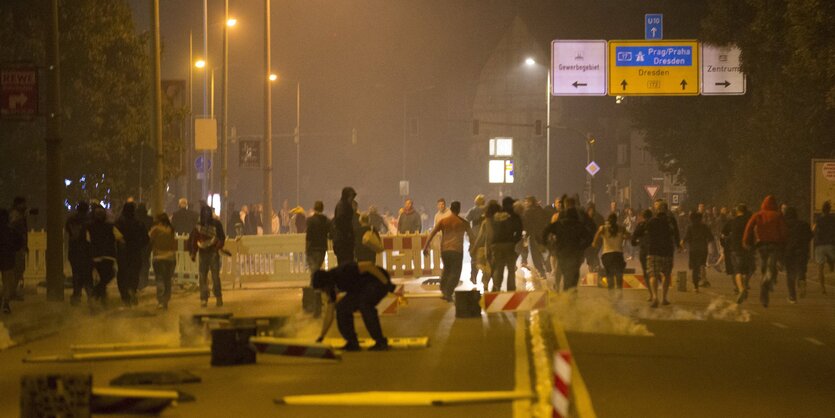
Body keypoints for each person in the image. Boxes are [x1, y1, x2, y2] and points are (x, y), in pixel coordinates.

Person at [312, 262, 395, 351]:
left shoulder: (343, 272)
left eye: (322, 289)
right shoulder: (331, 289)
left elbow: (368, 266)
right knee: (342, 307)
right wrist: (321, 337)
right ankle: (352, 343)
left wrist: (387, 284)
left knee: (364, 304)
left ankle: (381, 342)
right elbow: (329, 314)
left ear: (325, 283)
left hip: (378, 281)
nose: (323, 292)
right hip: (361, 288)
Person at [423, 201, 474, 301]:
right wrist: (474, 247)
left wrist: (425, 247)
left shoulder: (443, 221)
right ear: (459, 209)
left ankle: (444, 290)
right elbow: (472, 237)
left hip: (445, 250)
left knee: (447, 270)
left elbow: (432, 233)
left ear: (450, 209)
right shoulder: (463, 223)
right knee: (455, 273)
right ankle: (448, 292)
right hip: (457, 250)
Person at [743, 195, 787, 308]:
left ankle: (765, 289)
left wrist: (746, 242)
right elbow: (783, 231)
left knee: (764, 266)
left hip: (761, 246)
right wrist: (783, 243)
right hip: (774, 245)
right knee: (771, 267)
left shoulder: (758, 215)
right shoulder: (778, 215)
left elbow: (748, 228)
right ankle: (766, 285)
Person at [542, 202, 591, 291]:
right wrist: (582, 247)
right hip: (575, 254)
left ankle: (559, 288)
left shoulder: (559, 224)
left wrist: (547, 244)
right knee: (573, 275)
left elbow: (545, 231)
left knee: (561, 270)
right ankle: (571, 293)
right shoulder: (579, 225)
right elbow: (589, 238)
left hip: (562, 252)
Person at [189, 205, 227, 307]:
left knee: (212, 277)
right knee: (205, 277)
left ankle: (215, 297)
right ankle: (206, 298)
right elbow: (194, 239)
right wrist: (193, 252)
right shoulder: (199, 226)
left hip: (212, 252)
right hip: (205, 253)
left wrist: (217, 246)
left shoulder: (215, 224)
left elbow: (221, 238)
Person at [88, 205, 124, 306]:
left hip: (96, 256)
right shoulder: (110, 226)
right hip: (108, 255)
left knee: (103, 277)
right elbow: (120, 238)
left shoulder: (90, 227)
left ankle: (101, 298)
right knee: (109, 275)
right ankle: (97, 292)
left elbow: (87, 240)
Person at [115, 202, 149, 307]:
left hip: (123, 254)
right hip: (135, 253)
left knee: (122, 275)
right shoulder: (139, 223)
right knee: (134, 274)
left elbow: (114, 237)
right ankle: (132, 290)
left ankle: (125, 297)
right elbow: (146, 239)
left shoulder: (119, 223)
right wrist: (139, 246)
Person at [646, 201, 677, 307]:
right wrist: (678, 245)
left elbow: (646, 233)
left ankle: (655, 297)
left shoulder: (652, 220)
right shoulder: (671, 221)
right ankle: (664, 298)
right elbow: (676, 234)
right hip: (667, 251)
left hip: (654, 251)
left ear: (657, 209)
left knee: (653, 274)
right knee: (666, 275)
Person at [722, 204, 755, 304]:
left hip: (735, 249)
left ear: (737, 211)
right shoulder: (749, 221)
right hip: (748, 248)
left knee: (737, 270)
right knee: (750, 268)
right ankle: (746, 283)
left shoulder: (732, 221)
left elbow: (724, 233)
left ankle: (741, 289)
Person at [489, 197, 523, 292]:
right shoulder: (514, 216)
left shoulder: (496, 216)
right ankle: (511, 289)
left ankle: (496, 288)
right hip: (509, 244)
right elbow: (519, 232)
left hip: (496, 244)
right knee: (511, 268)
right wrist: (514, 241)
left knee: (498, 267)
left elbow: (492, 229)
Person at [594, 213, 630, 294]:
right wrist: (623, 237)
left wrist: (594, 243)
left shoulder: (603, 228)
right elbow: (629, 236)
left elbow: (596, 237)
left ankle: (611, 295)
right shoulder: (621, 228)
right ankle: (619, 294)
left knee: (609, 275)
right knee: (619, 276)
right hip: (618, 255)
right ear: (616, 220)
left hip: (607, 256)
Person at [65, 201, 93, 306]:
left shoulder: (71, 220)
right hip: (86, 251)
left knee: (76, 274)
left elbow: (70, 232)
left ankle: (76, 296)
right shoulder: (89, 220)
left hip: (74, 251)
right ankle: (90, 297)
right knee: (87, 275)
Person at [784, 206, 812, 304]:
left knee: (790, 274)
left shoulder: (784, 225)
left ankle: (792, 297)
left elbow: (781, 239)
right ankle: (801, 280)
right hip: (802, 251)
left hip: (789, 252)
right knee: (801, 269)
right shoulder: (804, 224)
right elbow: (810, 236)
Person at [149, 213, 177, 310]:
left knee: (160, 279)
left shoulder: (155, 229)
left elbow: (150, 240)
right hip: (170, 258)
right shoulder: (171, 229)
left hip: (158, 257)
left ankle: (161, 300)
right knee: (167, 280)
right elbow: (174, 244)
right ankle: (166, 300)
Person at [681, 212, 714, 292]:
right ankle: (703, 279)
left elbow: (685, 238)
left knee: (695, 268)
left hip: (693, 249)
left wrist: (682, 246)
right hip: (703, 248)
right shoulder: (704, 226)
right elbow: (711, 238)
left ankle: (696, 287)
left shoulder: (690, 227)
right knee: (702, 264)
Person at [0, 209, 24, 313]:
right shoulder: (11, 231)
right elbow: (19, 243)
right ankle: (5, 302)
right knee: (7, 282)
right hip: (8, 259)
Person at [522, 196, 549, 277]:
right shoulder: (541, 210)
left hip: (533, 235)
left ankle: (541, 270)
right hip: (542, 234)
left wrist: (526, 235)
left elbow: (525, 225)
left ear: (530, 202)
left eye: (526, 202)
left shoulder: (527, 212)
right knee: (541, 251)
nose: (525, 203)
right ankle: (546, 266)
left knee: (535, 254)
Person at [630, 209, 654, 301]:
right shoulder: (655, 225)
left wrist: (637, 243)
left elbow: (633, 239)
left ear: (643, 217)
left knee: (646, 272)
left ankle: (651, 294)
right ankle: (656, 292)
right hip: (654, 252)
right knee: (654, 272)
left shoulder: (641, 225)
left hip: (644, 251)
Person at [813, 200, 835, 295]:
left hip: (819, 245)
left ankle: (822, 288)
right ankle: (831, 262)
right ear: (829, 209)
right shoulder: (833, 219)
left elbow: (814, 230)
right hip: (830, 244)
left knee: (820, 268)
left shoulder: (818, 219)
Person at [9, 197, 28, 300]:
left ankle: (12, 291)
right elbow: (16, 231)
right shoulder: (15, 215)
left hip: (19, 246)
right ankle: (11, 292)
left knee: (19, 269)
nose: (25, 206)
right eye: (23, 204)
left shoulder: (19, 215)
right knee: (17, 270)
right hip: (16, 247)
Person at [333, 187, 357, 265]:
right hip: (344, 242)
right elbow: (342, 221)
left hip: (343, 241)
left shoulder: (342, 205)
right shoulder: (343, 206)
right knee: (346, 263)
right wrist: (348, 233)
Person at [465, 195, 487, 284]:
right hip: (485, 236)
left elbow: (466, 220)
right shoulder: (487, 210)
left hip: (474, 236)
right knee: (485, 257)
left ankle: (473, 276)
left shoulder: (472, 210)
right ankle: (484, 277)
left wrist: (468, 232)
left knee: (474, 257)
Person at [135, 203, 153, 291]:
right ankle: (144, 281)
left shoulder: (134, 219)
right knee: (145, 263)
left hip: (135, 245)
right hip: (146, 245)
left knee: (136, 264)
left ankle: (137, 282)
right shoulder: (149, 219)